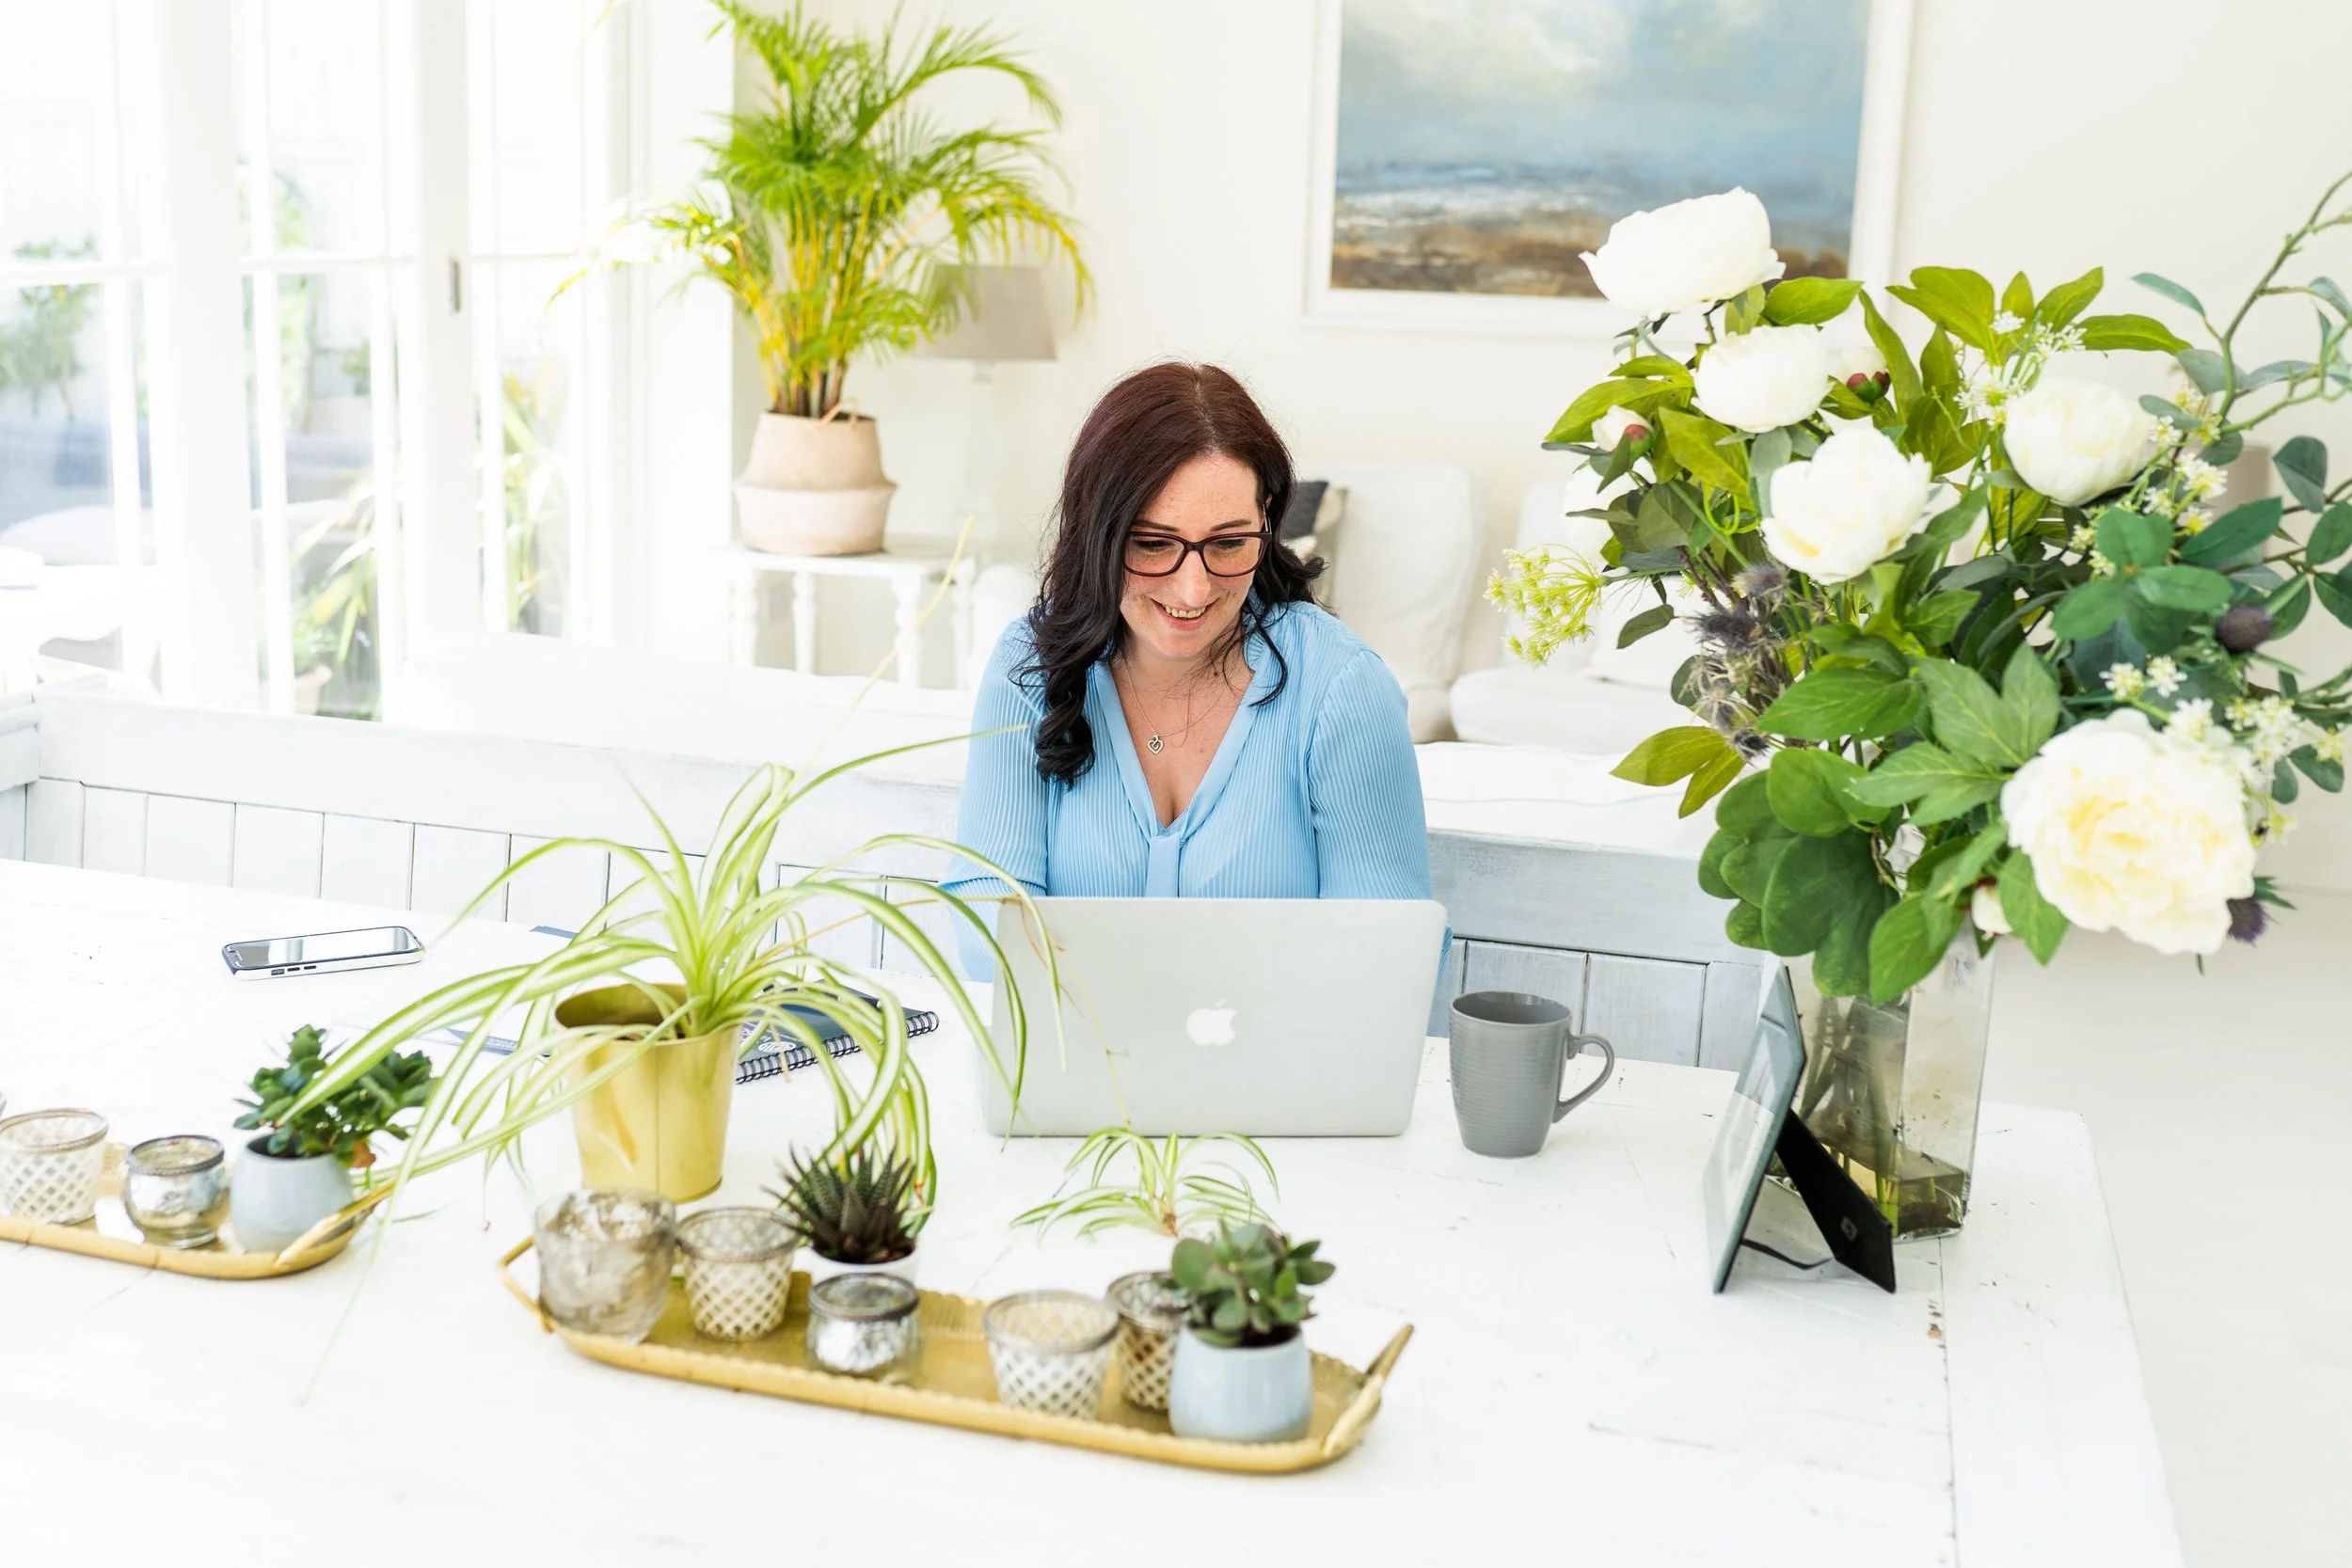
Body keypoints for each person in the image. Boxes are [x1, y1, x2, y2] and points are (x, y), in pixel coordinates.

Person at [943, 361, 1430, 978]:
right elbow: (986, 912)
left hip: (1278, 1069)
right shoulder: (1029, 666)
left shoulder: (1343, 687)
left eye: (1228, 543)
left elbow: (1386, 955)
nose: (1193, 589)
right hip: (1073, 1064)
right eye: (1153, 544)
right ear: (1098, 529)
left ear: (1269, 518)